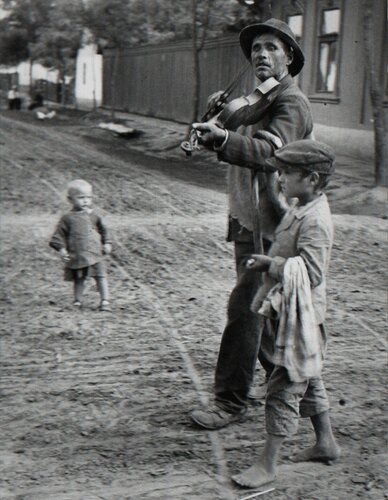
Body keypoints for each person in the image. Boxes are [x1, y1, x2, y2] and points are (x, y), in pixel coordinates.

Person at [190, 19, 314, 430]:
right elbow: (234, 125)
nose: (260, 54)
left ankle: (229, 402)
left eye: (271, 48)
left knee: (245, 308)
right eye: (256, 48)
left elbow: (266, 153)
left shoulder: (290, 103)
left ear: (289, 57)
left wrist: (223, 138)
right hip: (248, 219)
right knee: (265, 315)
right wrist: (218, 117)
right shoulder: (255, 99)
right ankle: (301, 396)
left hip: (275, 226)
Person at [231, 139, 341, 489]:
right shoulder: (300, 207)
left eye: (288, 173)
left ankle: (267, 464)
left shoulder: (316, 221)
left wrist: (272, 264)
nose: (281, 178)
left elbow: (311, 273)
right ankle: (325, 443)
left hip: (304, 315)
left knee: (283, 386)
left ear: (310, 179)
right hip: (289, 309)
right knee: (308, 375)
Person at [49, 179, 112, 311]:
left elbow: (103, 230)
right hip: (78, 254)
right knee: (79, 278)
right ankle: (78, 300)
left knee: (100, 276)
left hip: (95, 252)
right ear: (70, 199)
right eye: (81, 198)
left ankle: (105, 300)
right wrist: (61, 249)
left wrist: (106, 243)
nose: (85, 201)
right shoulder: (67, 218)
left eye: (88, 198)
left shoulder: (94, 216)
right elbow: (58, 235)